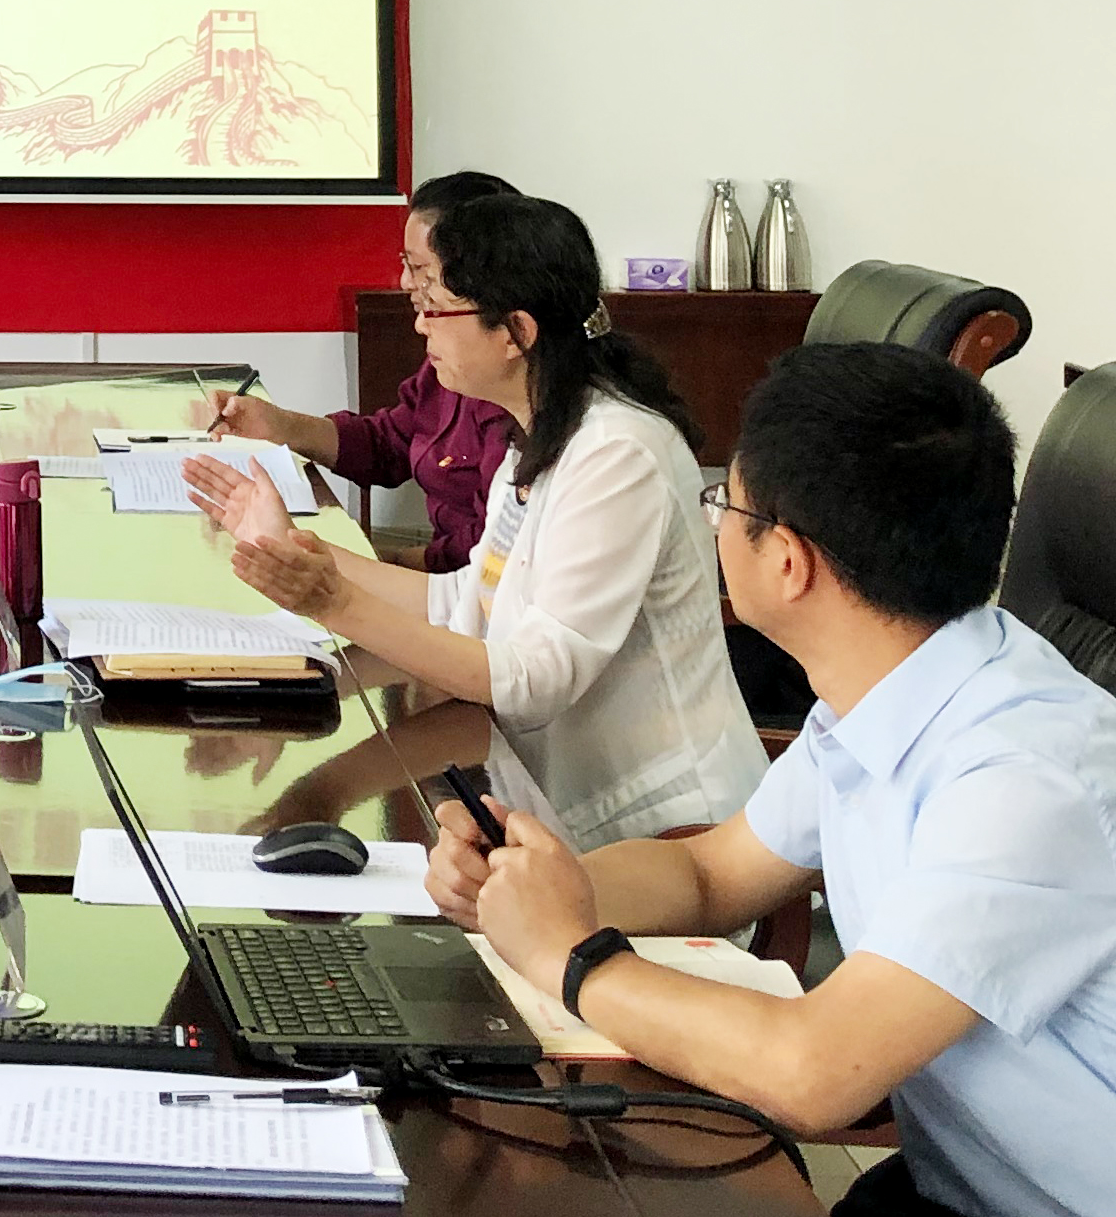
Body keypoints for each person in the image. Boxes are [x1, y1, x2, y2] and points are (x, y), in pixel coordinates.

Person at [425, 344, 1116, 1217]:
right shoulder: (897, 684)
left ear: (789, 562)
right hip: (977, 1212)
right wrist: (535, 881)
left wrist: (572, 957)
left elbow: (816, 1072)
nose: (715, 525)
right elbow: (714, 872)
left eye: (726, 504)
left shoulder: (1026, 772)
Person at [184, 193, 762, 848]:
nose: (420, 325)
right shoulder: (539, 435)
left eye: (436, 307)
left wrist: (334, 603)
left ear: (516, 332)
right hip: (564, 814)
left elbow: (533, 680)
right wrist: (290, 542)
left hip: (674, 833)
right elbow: (466, 600)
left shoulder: (617, 454)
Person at [205, 168, 518, 572]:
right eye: (405, 264)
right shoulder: (453, 358)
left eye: (421, 270)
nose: (406, 283)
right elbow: (389, 443)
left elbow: (489, 554)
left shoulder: (509, 392)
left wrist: (375, 565)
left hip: (459, 586)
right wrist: (280, 425)